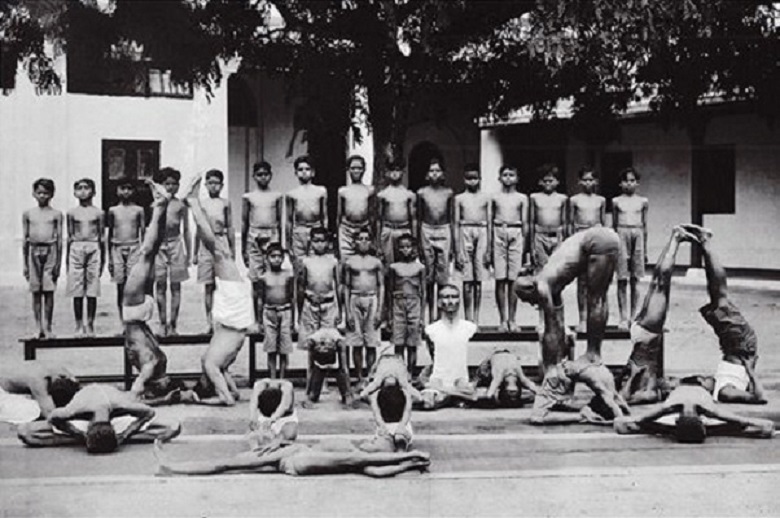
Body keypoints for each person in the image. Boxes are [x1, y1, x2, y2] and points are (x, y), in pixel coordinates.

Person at [185, 175, 253, 407]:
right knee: (215, 248)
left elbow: (233, 396)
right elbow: (230, 397)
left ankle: (194, 204)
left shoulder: (213, 363)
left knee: (216, 248)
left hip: (235, 318)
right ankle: (193, 203)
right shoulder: (212, 364)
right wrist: (204, 398)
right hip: (235, 315)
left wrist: (204, 399)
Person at [514, 226, 620, 370]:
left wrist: (551, 366)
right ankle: (594, 354)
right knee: (600, 297)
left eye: (528, 299)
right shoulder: (550, 282)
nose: (532, 304)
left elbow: (550, 328)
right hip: (604, 236)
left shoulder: (543, 286)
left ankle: (593, 355)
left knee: (595, 298)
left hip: (595, 240)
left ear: (530, 289)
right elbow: (559, 324)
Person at [683, 224, 767, 405]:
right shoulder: (724, 393)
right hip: (741, 345)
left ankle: (705, 245)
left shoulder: (717, 386)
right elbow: (759, 398)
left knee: (715, 294)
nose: (704, 377)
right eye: (702, 379)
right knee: (719, 294)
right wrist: (749, 369)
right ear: (700, 386)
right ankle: (706, 242)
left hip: (735, 345)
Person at [123, 179, 187, 404]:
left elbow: (133, 397)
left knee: (148, 253)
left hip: (135, 313)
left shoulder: (152, 367)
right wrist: (165, 398)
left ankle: (159, 206)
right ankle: (159, 206)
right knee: (150, 250)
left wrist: (160, 399)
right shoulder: (156, 365)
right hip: (137, 316)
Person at [618, 226, 696, 404]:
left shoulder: (646, 392)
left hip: (646, 335)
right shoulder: (650, 389)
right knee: (657, 282)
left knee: (661, 283)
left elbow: (622, 399)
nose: (671, 384)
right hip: (642, 335)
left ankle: (675, 239)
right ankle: (674, 238)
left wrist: (632, 380)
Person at [17, 384, 180, 453]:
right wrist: (77, 434)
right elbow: (52, 418)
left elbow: (150, 412)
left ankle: (103, 440)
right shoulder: (76, 410)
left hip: (116, 421)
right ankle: (88, 441)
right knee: (24, 433)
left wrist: (126, 434)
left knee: (174, 427)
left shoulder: (120, 405)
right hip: (83, 423)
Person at [155, 436, 430, 478]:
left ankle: (172, 467)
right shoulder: (355, 448)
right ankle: (174, 467)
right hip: (297, 452)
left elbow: (380, 470)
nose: (372, 439)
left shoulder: (359, 458)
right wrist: (287, 441)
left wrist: (411, 457)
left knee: (229, 464)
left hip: (300, 461)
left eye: (376, 441)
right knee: (235, 463)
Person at [614, 378, 774, 442]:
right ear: (701, 419)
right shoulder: (713, 420)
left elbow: (620, 424)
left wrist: (666, 409)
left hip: (677, 388)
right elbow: (767, 427)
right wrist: (712, 412)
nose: (688, 404)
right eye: (693, 410)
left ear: (677, 418)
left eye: (684, 410)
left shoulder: (667, 420)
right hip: (702, 386)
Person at [418, 284, 478, 410]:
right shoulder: (431, 329)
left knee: (474, 394)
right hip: (438, 380)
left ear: (459, 301)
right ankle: (454, 397)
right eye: (446, 297)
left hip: (460, 380)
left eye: (454, 297)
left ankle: (448, 396)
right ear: (439, 302)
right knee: (428, 403)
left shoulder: (469, 327)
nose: (450, 301)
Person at [242, 161, 284, 330]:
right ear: (254, 176)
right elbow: (244, 222)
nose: (263, 177)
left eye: (265, 174)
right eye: (259, 174)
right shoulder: (248, 197)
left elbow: (280, 221)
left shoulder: (276, 196)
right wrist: (244, 250)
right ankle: (258, 320)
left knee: (272, 279)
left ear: (271, 175)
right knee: (256, 281)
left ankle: (271, 319)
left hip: (272, 235)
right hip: (253, 236)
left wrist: (280, 245)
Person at [529, 355, 630, 425]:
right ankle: (583, 414)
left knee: (537, 418)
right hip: (562, 373)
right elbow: (614, 398)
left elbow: (615, 399)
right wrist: (621, 417)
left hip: (562, 373)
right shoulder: (604, 382)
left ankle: (582, 416)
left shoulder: (605, 376)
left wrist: (621, 416)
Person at [298, 228, 342, 389]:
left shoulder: (333, 261)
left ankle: (323, 381)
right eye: (315, 240)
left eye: (322, 240)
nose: (319, 244)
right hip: (310, 305)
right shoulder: (306, 262)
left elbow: (338, 287)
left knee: (327, 344)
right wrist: (300, 311)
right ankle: (311, 380)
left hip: (329, 306)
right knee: (311, 344)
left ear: (328, 242)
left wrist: (340, 311)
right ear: (310, 242)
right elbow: (301, 287)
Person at [193, 169, 234, 334]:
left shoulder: (225, 203)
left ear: (222, 185)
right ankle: (209, 322)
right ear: (206, 185)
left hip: (221, 242)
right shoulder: (201, 203)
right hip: (205, 244)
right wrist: (195, 252)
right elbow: (198, 228)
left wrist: (232, 250)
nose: (213, 186)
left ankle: (223, 321)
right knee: (208, 286)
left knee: (224, 286)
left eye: (217, 183)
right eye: (210, 183)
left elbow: (230, 227)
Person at [22, 178, 63, 339]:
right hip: (33, 250)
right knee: (36, 292)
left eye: (46, 193)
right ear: (33, 194)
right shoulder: (28, 214)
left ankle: (48, 326)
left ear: (51, 194)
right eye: (39, 193)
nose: (42, 196)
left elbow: (60, 239)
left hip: (50, 250)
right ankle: (38, 326)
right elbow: (25, 239)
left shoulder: (56, 214)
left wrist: (58, 263)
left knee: (48, 291)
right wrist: (25, 264)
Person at [286, 155, 328, 312]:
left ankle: (318, 312)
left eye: (307, 169)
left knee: (317, 274)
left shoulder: (320, 191)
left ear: (313, 172)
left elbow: (324, 217)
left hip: (316, 232)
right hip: (299, 233)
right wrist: (288, 244)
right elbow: (289, 220)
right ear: (296, 173)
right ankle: (300, 315)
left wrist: (325, 238)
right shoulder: (292, 194)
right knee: (301, 276)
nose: (304, 172)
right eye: (300, 170)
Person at [567, 167, 606, 332]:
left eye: (591, 180)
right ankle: (582, 318)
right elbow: (569, 223)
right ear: (579, 182)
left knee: (595, 282)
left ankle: (594, 319)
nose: (588, 183)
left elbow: (603, 223)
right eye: (585, 180)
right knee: (582, 281)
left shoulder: (601, 200)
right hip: (580, 237)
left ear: (596, 182)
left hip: (596, 238)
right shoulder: (574, 200)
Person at [529, 164, 568, 330]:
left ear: (557, 182)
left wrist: (565, 243)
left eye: (551, 181)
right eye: (545, 181)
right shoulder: (534, 198)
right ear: (540, 182)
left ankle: (558, 319)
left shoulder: (562, 199)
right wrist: (531, 245)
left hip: (557, 236)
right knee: (542, 279)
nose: (548, 184)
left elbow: (566, 222)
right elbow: (531, 222)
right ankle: (542, 320)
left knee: (557, 279)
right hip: (540, 235)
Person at [154, 167, 191, 337]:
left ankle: (173, 324)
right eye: (166, 184)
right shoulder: (156, 203)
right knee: (160, 285)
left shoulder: (181, 204)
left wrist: (189, 253)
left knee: (176, 285)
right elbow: (149, 227)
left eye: (174, 184)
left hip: (176, 244)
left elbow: (186, 229)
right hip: (158, 245)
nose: (170, 187)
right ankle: (162, 323)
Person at [344, 227, 384, 385]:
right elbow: (346, 286)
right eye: (360, 239)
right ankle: (359, 376)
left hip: (372, 298)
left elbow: (381, 285)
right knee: (357, 342)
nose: (363, 242)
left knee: (371, 342)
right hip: (355, 298)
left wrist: (380, 309)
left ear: (371, 242)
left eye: (366, 239)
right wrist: (347, 311)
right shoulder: (349, 262)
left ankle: (370, 376)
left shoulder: (376, 262)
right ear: (354, 242)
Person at [417, 158, 455, 322]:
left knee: (442, 277)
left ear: (443, 174)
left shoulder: (448, 192)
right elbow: (418, 217)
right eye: (431, 171)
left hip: (444, 230)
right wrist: (419, 240)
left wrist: (452, 243)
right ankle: (429, 314)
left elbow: (452, 218)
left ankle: (440, 315)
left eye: (437, 170)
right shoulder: (422, 192)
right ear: (426, 175)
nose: (434, 174)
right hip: (427, 229)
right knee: (428, 277)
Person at [490, 165, 528, 332]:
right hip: (499, 231)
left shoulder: (522, 198)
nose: (508, 178)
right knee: (500, 278)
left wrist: (525, 247)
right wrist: (490, 246)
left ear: (517, 178)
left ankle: (512, 319)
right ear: (499, 178)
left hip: (516, 231)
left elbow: (525, 222)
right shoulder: (495, 197)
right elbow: (490, 221)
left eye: (511, 175)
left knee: (513, 278)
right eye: (504, 175)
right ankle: (502, 320)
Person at [66, 178, 104, 337]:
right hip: (77, 246)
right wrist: (66, 261)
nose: (83, 191)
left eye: (86, 188)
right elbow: (69, 236)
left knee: (92, 289)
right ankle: (78, 324)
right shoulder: (71, 213)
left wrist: (104, 259)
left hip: (93, 247)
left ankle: (90, 324)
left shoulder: (98, 212)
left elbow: (102, 236)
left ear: (93, 192)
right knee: (77, 289)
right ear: (75, 192)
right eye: (79, 188)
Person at [454, 164, 491, 326]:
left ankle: (476, 316)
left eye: (475, 178)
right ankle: (467, 316)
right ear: (464, 180)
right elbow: (455, 223)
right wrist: (457, 250)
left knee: (479, 277)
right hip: (465, 229)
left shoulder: (486, 198)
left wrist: (489, 247)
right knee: (467, 278)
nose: (472, 182)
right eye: (469, 178)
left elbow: (489, 222)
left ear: (480, 179)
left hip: (482, 230)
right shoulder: (459, 198)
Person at [612, 167, 648, 329]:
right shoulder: (616, 201)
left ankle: (634, 316)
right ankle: (623, 317)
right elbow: (613, 225)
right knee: (622, 279)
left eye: (632, 180)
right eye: (626, 180)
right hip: (621, 232)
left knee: (636, 278)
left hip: (638, 233)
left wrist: (644, 249)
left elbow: (645, 226)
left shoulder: (643, 201)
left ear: (637, 183)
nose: (629, 183)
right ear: (620, 183)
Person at [107, 180, 145, 329]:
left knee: (134, 285)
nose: (126, 192)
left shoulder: (139, 210)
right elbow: (110, 233)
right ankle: (122, 319)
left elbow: (143, 232)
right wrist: (110, 257)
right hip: (117, 247)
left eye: (129, 188)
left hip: (134, 247)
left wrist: (142, 253)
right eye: (123, 188)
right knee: (120, 286)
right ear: (117, 191)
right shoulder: (113, 210)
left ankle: (134, 319)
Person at [387, 233, 426, 379]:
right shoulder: (394, 267)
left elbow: (423, 293)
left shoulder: (420, 267)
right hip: (398, 303)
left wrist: (422, 316)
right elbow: (390, 291)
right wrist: (390, 316)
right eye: (402, 247)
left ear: (414, 248)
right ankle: (399, 371)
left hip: (414, 303)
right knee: (399, 341)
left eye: (408, 247)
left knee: (412, 343)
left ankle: (410, 372)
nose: (405, 250)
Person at [257, 243, 295, 379]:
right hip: (269, 313)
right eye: (273, 256)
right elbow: (260, 300)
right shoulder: (264, 277)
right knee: (271, 348)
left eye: (280, 256)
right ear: (267, 258)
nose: (277, 259)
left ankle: (283, 378)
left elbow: (292, 298)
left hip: (285, 311)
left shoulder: (288, 276)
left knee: (284, 349)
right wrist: (260, 321)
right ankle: (272, 377)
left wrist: (292, 321)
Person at [0, 361, 80, 422]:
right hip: (3, 391)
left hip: (11, 384)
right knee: (32, 412)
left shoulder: (63, 373)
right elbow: (49, 413)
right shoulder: (38, 380)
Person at [377, 159, 417, 265]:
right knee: (388, 266)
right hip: (388, 230)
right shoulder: (383, 194)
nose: (394, 173)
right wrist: (378, 244)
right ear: (387, 173)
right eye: (392, 170)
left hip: (404, 230)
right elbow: (378, 220)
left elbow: (413, 219)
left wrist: (414, 240)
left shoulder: (409, 194)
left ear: (402, 172)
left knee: (405, 264)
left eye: (397, 170)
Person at [337, 155, 375, 259]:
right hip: (346, 230)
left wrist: (372, 234)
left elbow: (372, 214)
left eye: (359, 168)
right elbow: (339, 215)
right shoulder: (343, 191)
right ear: (348, 169)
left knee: (364, 260)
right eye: (353, 168)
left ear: (364, 169)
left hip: (364, 230)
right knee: (346, 261)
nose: (356, 171)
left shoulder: (370, 190)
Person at [303, 328, 353, 408]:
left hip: (336, 361)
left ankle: (345, 394)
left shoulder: (340, 343)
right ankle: (313, 392)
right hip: (319, 364)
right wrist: (307, 395)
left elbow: (345, 369)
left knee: (345, 394)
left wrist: (348, 394)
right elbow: (310, 369)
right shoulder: (311, 343)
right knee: (313, 397)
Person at [473, 349, 538, 408]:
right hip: (492, 360)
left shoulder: (517, 376)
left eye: (511, 392)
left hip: (502, 357)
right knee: (484, 384)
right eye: (512, 392)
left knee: (488, 388)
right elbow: (491, 389)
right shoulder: (500, 376)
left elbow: (533, 387)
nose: (513, 391)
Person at [247, 378, 298, 451]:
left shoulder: (287, 387)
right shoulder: (259, 385)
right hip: (265, 419)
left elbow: (284, 406)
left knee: (286, 435)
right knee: (253, 436)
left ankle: (276, 443)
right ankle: (256, 450)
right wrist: (252, 417)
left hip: (286, 419)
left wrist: (273, 419)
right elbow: (253, 403)